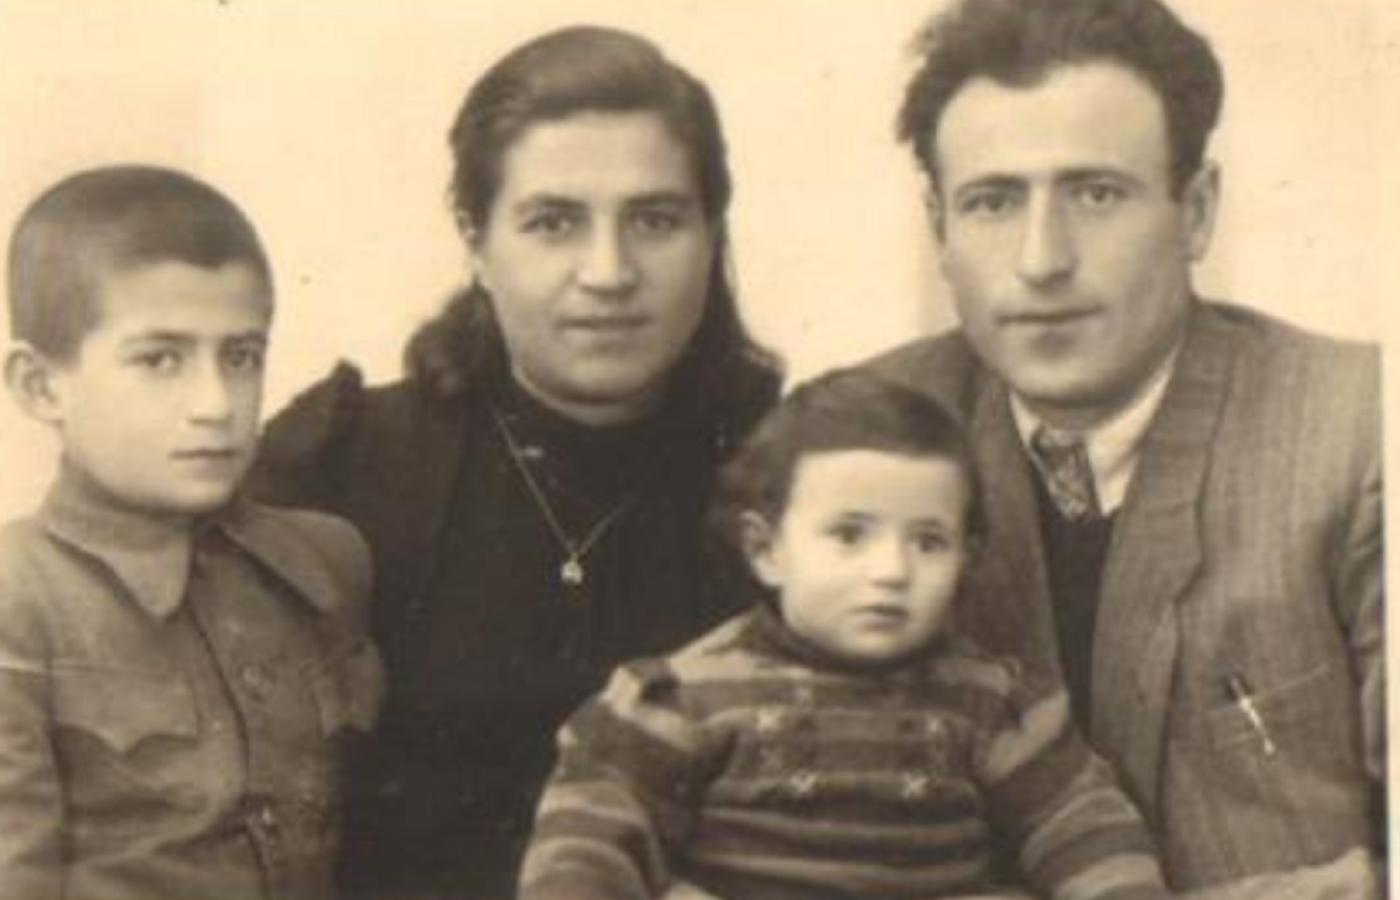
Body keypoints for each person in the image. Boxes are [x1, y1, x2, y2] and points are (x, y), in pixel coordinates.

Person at [864, 0, 1383, 896]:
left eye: (1096, 194)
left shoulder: (1359, 427)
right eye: (993, 202)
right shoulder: (871, 437)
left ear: (1197, 211)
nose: (1041, 260)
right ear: (940, 228)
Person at [249, 25, 781, 900]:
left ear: (712, 232)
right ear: (475, 240)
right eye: (553, 223)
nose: (608, 272)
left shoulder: (797, 477)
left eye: (654, 220)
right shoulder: (344, 465)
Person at [519, 368, 1171, 900]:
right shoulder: (688, 694)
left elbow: (1078, 823)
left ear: (965, 558)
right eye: (849, 535)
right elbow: (593, 832)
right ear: (767, 550)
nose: (891, 572)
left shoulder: (987, 700)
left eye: (928, 541)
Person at [0, 165, 384, 900]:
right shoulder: (20, 598)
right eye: (160, 360)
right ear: (40, 386)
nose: (215, 403)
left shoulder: (322, 561)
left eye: (240, 358)